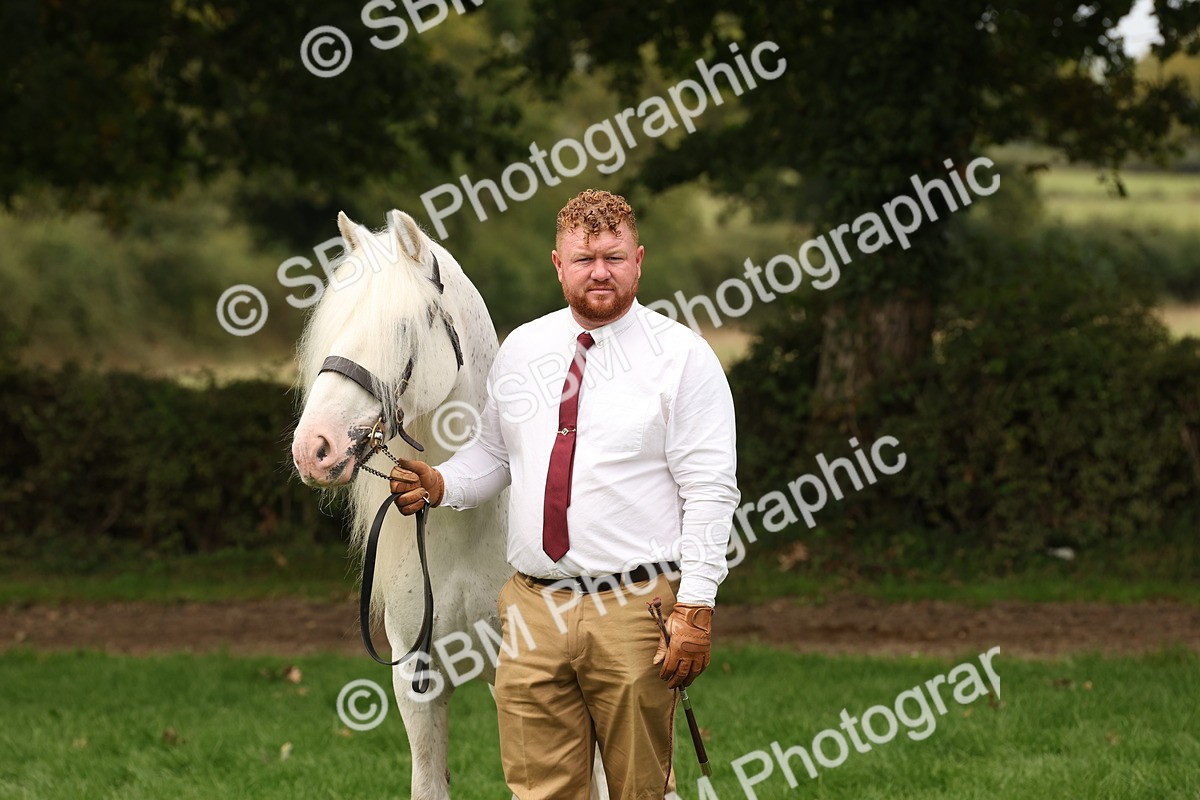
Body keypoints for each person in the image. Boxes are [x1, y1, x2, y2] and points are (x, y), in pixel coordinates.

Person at [389, 188, 739, 799]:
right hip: (531, 613)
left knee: (639, 791)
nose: (599, 271)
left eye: (614, 256)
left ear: (639, 260)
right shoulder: (522, 348)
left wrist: (697, 608)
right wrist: (442, 482)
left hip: (635, 610)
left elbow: (710, 490)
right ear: (558, 264)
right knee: (541, 791)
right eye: (584, 259)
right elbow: (496, 455)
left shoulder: (683, 358)